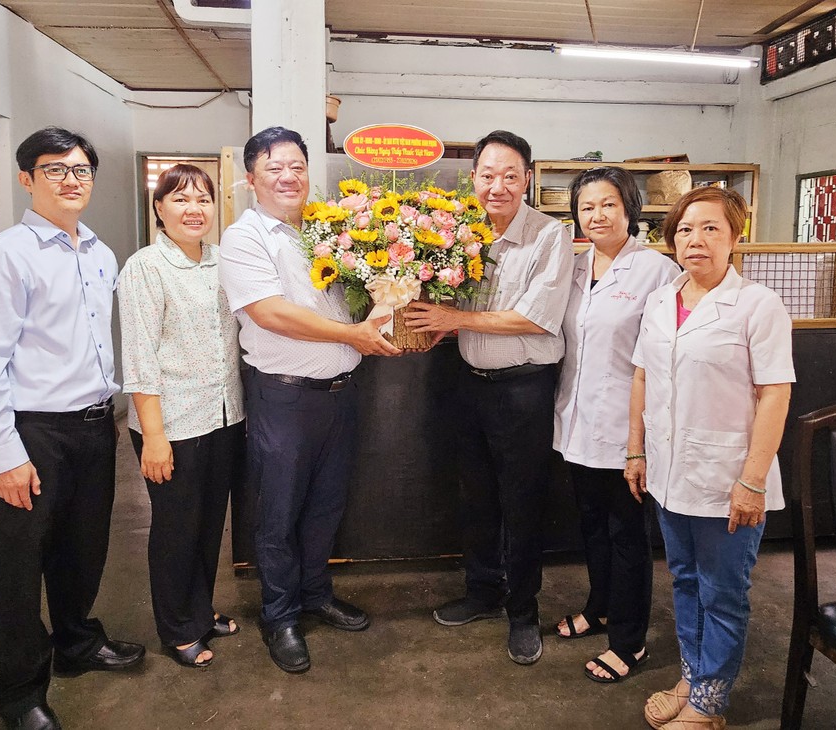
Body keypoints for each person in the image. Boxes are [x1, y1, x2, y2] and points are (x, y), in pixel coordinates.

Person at [0, 127, 144, 730]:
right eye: (55, 169)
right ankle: (19, 693)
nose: (71, 180)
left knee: (83, 550)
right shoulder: (1, 257)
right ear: (26, 179)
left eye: (81, 170)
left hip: (94, 426)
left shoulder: (98, 250)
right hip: (32, 431)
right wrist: (5, 454)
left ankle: (76, 644)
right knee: (18, 567)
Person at [218, 126, 400, 674]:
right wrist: (353, 337)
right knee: (279, 512)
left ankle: (316, 593)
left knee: (326, 506)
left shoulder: (326, 230)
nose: (289, 175)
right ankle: (279, 616)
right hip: (284, 399)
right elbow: (269, 312)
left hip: (340, 396)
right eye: (274, 167)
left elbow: (358, 298)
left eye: (297, 165)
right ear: (251, 179)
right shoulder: (245, 237)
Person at [404, 130, 575, 665]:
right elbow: (458, 306)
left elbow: (535, 317)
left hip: (524, 388)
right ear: (473, 178)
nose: (497, 186)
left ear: (528, 179)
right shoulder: (461, 233)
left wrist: (456, 318)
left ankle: (523, 613)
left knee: (521, 501)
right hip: (469, 383)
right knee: (475, 496)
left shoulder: (551, 236)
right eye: (487, 175)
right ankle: (482, 592)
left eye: (509, 175)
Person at [625, 187, 794, 729]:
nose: (695, 240)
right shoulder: (660, 300)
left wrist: (753, 480)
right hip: (670, 474)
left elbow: (775, 392)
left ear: (734, 237)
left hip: (729, 478)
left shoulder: (757, 304)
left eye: (710, 229)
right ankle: (694, 676)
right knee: (685, 581)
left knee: (723, 592)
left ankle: (709, 706)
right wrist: (635, 451)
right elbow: (643, 376)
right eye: (684, 230)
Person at [553, 167, 680, 683]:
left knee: (628, 535)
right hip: (576, 424)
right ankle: (600, 607)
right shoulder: (574, 268)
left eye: (608, 204)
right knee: (591, 526)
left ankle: (629, 642)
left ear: (630, 207)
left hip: (629, 430)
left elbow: (663, 358)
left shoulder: (656, 271)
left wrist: (642, 443)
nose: (597, 215)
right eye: (587, 206)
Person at [118, 164, 244, 669]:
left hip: (225, 414)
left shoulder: (223, 262)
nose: (194, 209)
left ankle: (200, 609)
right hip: (171, 423)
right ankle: (176, 628)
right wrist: (154, 437)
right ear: (159, 210)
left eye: (203, 199)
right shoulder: (145, 268)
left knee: (210, 526)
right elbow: (140, 358)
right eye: (179, 199)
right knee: (176, 529)